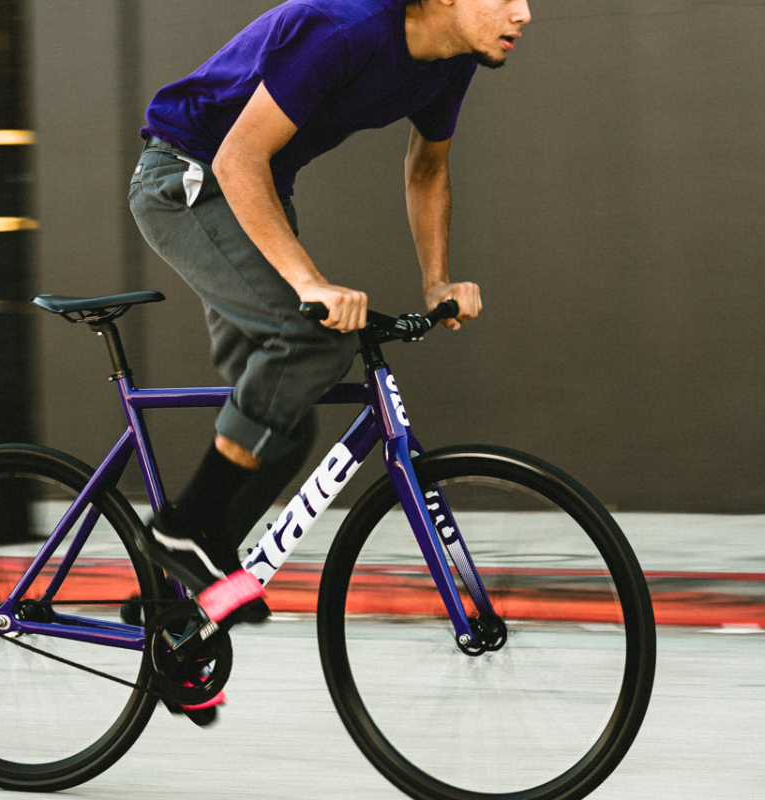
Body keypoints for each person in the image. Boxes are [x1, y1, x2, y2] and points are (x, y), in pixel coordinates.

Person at [128, 0, 530, 625]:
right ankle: (183, 530)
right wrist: (309, 283)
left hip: (253, 191)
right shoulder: (343, 28)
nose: (524, 13)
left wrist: (436, 281)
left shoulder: (450, 60)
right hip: (187, 176)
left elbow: (427, 168)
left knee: (285, 425)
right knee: (309, 340)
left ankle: (173, 610)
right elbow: (236, 158)